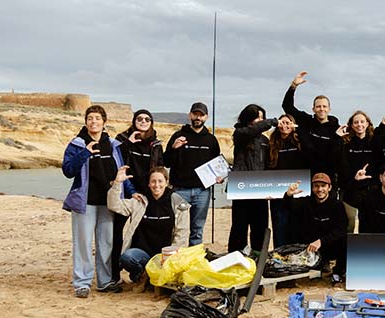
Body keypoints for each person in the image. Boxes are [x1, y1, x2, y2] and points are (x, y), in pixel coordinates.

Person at [61, 105, 126, 297]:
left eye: (97, 118)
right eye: (90, 118)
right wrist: (85, 153)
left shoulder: (113, 145)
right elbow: (67, 170)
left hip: (108, 203)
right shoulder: (77, 144)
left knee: (106, 243)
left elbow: (121, 172)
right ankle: (82, 283)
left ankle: (105, 281)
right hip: (85, 202)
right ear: (86, 122)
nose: (94, 121)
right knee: (82, 243)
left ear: (104, 122)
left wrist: (131, 192)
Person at [107, 165, 189, 289]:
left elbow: (182, 233)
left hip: (165, 255)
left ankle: (153, 279)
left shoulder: (177, 203)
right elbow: (114, 205)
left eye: (160, 181)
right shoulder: (140, 201)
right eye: (153, 181)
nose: (157, 185)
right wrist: (117, 183)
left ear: (167, 182)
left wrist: (170, 256)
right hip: (143, 254)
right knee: (127, 257)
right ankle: (142, 276)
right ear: (149, 184)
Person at [111, 109, 164, 286]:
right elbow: (116, 162)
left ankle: (139, 272)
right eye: (139, 118)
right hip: (126, 192)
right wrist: (128, 143)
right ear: (134, 121)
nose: (143, 121)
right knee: (116, 233)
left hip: (147, 195)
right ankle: (114, 274)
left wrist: (157, 191)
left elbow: (159, 168)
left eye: (147, 119)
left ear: (151, 122)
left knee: (141, 232)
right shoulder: (122, 138)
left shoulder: (156, 143)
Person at [164, 102, 221, 246]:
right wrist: (174, 148)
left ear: (206, 117)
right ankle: (175, 256)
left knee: (197, 230)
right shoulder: (178, 136)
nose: (198, 117)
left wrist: (219, 177)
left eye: (201, 115)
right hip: (179, 190)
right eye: (195, 114)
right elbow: (166, 162)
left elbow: (217, 165)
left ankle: (193, 257)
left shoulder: (211, 140)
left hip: (203, 192)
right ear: (190, 115)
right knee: (176, 228)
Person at [229, 104, 278, 254]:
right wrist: (271, 122)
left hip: (259, 189)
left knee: (260, 228)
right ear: (248, 118)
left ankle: (258, 258)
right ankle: (236, 257)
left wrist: (271, 187)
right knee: (239, 228)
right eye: (257, 117)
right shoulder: (240, 134)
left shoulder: (264, 140)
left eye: (262, 118)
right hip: (241, 189)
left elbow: (268, 165)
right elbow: (251, 131)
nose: (260, 121)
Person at [284, 172, 348, 284]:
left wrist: (321, 241)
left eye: (323, 186)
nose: (320, 189)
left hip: (329, 244)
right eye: (316, 186)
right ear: (312, 188)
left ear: (329, 188)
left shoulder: (337, 205)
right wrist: (289, 195)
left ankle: (338, 271)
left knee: (345, 240)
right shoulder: (306, 202)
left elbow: (341, 229)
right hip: (310, 246)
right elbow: (290, 206)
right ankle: (316, 265)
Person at [282, 71, 341, 180]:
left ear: (329, 109)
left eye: (324, 106)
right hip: (306, 174)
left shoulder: (336, 129)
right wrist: (293, 86)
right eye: (318, 106)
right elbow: (287, 106)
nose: (321, 109)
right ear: (313, 109)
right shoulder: (306, 120)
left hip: (328, 175)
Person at [268, 114, 308, 247]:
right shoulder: (272, 143)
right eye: (282, 123)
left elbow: (310, 154)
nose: (285, 126)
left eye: (288, 123)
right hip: (278, 192)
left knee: (296, 225)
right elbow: (268, 167)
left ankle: (295, 253)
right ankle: (279, 253)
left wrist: (298, 131)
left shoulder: (299, 141)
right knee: (279, 226)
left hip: (298, 191)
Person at [336, 110, 380, 233]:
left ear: (367, 124)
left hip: (370, 189)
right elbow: (336, 161)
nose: (359, 124)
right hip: (349, 188)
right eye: (356, 122)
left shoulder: (374, 141)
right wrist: (337, 138)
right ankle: (346, 245)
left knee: (368, 223)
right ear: (351, 125)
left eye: (362, 122)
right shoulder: (345, 142)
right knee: (349, 223)